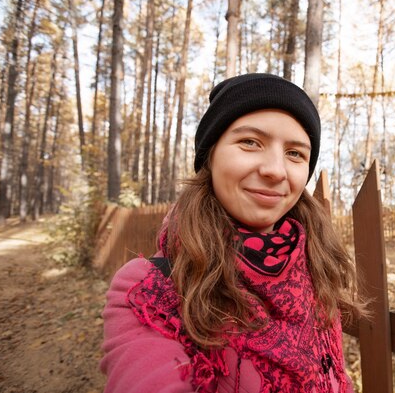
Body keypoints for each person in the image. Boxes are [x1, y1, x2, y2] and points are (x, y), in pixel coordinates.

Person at [100, 73, 365, 393]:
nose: (275, 170)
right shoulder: (149, 291)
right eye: (250, 142)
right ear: (210, 155)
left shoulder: (316, 265)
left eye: (295, 153)